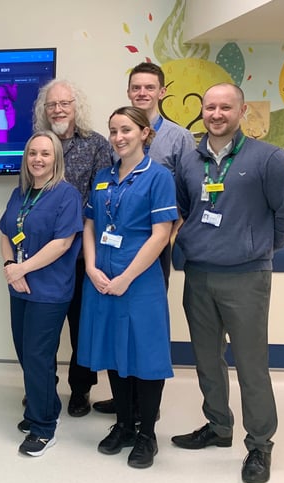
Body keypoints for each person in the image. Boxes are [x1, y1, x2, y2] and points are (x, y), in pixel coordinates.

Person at [172, 83, 284, 483]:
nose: (216, 114)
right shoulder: (190, 162)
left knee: (250, 364)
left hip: (246, 276)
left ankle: (260, 445)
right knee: (207, 359)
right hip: (198, 274)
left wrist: (259, 246)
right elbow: (183, 210)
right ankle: (218, 426)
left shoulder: (268, 159)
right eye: (209, 106)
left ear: (241, 111)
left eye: (225, 107)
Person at [93, 61, 195, 415]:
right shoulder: (115, 145)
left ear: (161, 91)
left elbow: (185, 193)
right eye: (136, 87)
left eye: (149, 87)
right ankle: (126, 401)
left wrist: (166, 238)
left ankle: (143, 406)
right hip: (115, 246)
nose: (142, 92)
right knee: (117, 321)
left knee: (143, 325)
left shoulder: (179, 138)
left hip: (155, 244)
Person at [78, 106, 177, 469]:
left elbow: (161, 235)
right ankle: (122, 425)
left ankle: (147, 435)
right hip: (102, 279)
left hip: (138, 282)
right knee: (114, 353)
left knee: (145, 358)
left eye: (126, 130)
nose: (119, 137)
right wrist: (90, 266)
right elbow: (89, 224)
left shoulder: (159, 177)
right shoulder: (103, 176)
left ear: (144, 134)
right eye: (113, 131)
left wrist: (126, 278)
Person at [32, 79, 115, 417]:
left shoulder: (96, 144)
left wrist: (69, 228)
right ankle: (42, 388)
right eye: (52, 105)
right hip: (42, 255)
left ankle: (80, 390)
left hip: (81, 254)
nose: (59, 110)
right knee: (43, 327)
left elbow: (101, 197)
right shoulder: (38, 144)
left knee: (81, 326)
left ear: (75, 106)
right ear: (44, 109)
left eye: (65, 103)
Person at [0, 131, 83, 457]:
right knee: (26, 353)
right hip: (19, 286)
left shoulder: (66, 195)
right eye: (33, 153)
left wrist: (23, 269)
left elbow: (62, 244)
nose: (38, 159)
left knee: (38, 356)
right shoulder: (20, 192)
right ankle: (41, 408)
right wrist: (10, 265)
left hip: (49, 290)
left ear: (56, 159)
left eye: (45, 154)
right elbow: (6, 232)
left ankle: (44, 427)